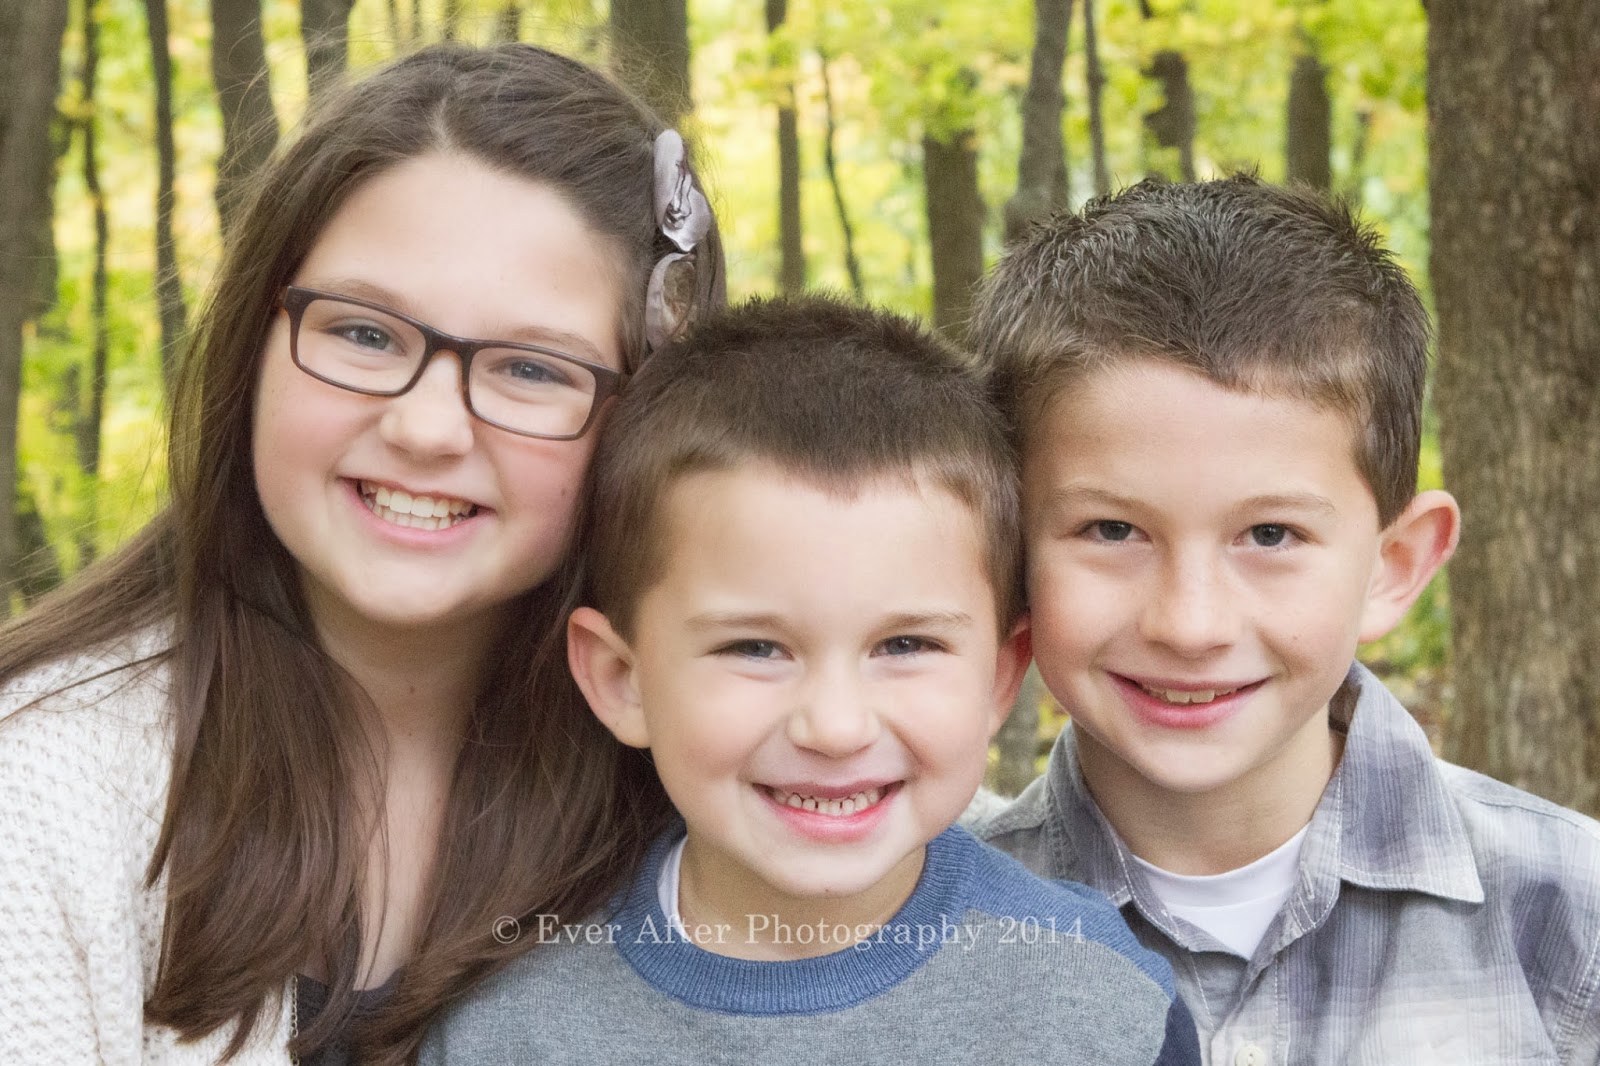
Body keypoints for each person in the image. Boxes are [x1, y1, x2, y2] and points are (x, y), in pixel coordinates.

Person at [0, 42, 723, 1066]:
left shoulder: (732, 774)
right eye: (366, 335)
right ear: (254, 341)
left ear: (646, 420)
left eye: (530, 368)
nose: (426, 428)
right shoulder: (38, 785)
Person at [420, 295, 1202, 1064]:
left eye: (905, 645)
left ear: (999, 681)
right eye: (757, 648)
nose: (835, 727)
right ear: (622, 680)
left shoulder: (1104, 1009)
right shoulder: (508, 1027)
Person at [966, 175, 1600, 1064]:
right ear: (1007, 553)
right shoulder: (906, 931)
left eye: (1271, 535)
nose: (1190, 624)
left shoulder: (1572, 919)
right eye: (1112, 530)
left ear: (1393, 566)